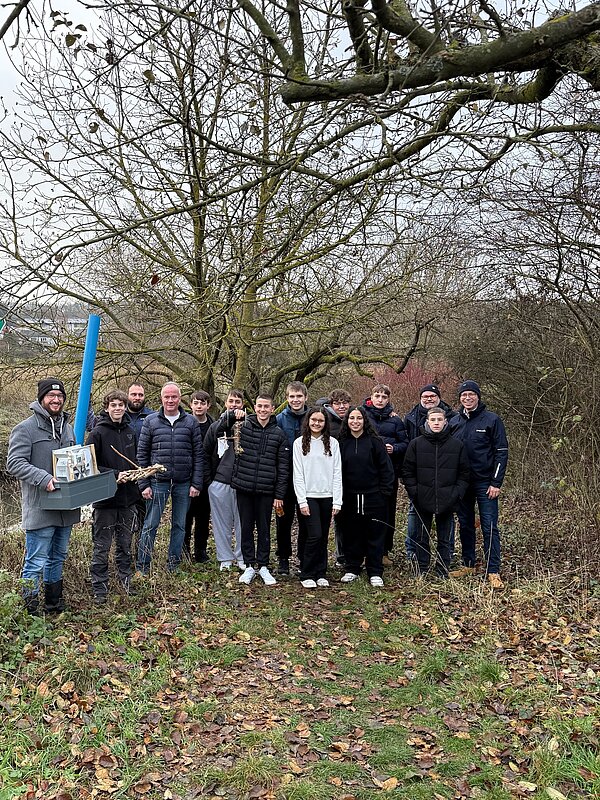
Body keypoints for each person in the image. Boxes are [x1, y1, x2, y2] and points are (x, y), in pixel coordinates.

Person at [6, 377, 80, 614]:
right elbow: (14, 463)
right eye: (51, 396)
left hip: (65, 508)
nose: (56, 400)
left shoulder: (67, 428)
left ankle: (53, 604)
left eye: (60, 396)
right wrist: (44, 478)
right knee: (36, 561)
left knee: (58, 557)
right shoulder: (25, 429)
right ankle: (30, 612)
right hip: (40, 508)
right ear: (41, 398)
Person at [215, 394, 289, 586]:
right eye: (259, 406)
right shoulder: (242, 426)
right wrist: (231, 415)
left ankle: (263, 565)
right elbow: (218, 431)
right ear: (254, 408)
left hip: (266, 489)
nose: (263, 410)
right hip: (244, 486)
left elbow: (283, 467)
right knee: (246, 527)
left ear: (272, 409)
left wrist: (279, 494)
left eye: (266, 406)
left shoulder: (278, 434)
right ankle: (249, 565)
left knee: (264, 529)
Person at [135, 382, 204, 575]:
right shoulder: (151, 421)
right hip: (158, 482)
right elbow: (142, 454)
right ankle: (143, 566)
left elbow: (198, 455)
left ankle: (174, 565)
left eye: (174, 397)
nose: (170, 400)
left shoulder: (190, 422)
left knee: (179, 525)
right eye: (167, 397)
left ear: (180, 398)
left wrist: (196, 483)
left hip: (183, 482)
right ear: (161, 398)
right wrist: (144, 483)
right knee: (150, 524)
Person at [450, 380, 509, 589]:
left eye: (471, 394)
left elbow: (501, 452)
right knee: (465, 523)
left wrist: (496, 482)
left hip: (486, 483)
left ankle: (493, 570)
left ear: (478, 396)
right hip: (462, 484)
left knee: (489, 525)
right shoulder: (454, 421)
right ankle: (468, 564)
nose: (467, 398)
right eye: (464, 395)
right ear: (460, 398)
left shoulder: (492, 420)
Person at [86, 389, 141, 603]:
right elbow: (89, 466)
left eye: (121, 405)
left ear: (125, 407)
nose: (117, 409)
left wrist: (140, 473)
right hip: (105, 500)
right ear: (107, 408)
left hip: (128, 499)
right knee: (102, 546)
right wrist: (115, 475)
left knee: (125, 545)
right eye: (113, 405)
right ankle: (99, 589)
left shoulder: (130, 431)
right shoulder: (97, 433)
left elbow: (135, 459)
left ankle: (125, 581)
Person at [401, 406, 470, 578]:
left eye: (440, 420)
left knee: (445, 538)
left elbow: (464, 473)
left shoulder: (457, 445)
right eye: (433, 420)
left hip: (448, 499)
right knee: (421, 536)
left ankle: (442, 570)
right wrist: (414, 492)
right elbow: (407, 471)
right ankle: (422, 569)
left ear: (445, 422)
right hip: (422, 498)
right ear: (427, 422)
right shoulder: (416, 444)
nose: (436, 423)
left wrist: (457, 493)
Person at [337, 406, 394, 587]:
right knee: (351, 532)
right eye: (352, 418)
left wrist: (384, 493)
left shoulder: (375, 442)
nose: (355, 421)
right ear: (347, 421)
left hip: (373, 497)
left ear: (364, 421)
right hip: (348, 497)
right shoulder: (341, 443)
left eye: (359, 418)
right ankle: (352, 568)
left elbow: (386, 469)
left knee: (374, 533)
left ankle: (375, 571)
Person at [403, 384, 458, 562]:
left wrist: (456, 491)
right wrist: (413, 489)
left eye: (432, 396)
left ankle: (447, 555)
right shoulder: (410, 418)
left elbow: (462, 468)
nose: (429, 399)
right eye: (425, 396)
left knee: (446, 522)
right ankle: (414, 553)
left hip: (446, 484)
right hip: (421, 483)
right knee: (416, 519)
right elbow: (406, 458)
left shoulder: (454, 419)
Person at [293, 408, 342, 589]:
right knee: (314, 535)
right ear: (308, 421)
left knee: (323, 536)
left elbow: (337, 472)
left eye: (320, 421)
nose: (316, 423)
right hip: (308, 496)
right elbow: (298, 474)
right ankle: (306, 572)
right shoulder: (299, 443)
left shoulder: (333, 443)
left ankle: (321, 572)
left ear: (325, 423)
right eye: (313, 420)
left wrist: (337, 500)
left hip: (327, 496)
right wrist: (302, 500)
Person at [363, 384, 408, 564]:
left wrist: (394, 448)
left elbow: (405, 443)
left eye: (384, 397)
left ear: (388, 399)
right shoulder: (362, 415)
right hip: (366, 472)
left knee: (387, 512)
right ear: (371, 397)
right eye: (377, 396)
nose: (380, 400)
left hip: (389, 473)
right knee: (365, 511)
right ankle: (364, 551)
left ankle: (384, 552)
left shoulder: (396, 420)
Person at [203, 389, 246, 572]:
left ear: (243, 404)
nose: (234, 404)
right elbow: (205, 453)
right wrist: (209, 482)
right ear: (226, 403)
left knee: (243, 522)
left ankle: (243, 557)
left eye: (238, 401)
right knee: (221, 523)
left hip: (243, 482)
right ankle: (225, 558)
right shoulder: (216, 426)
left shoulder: (249, 426)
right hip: (220, 482)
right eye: (231, 401)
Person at [275, 381, 309, 575]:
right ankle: (283, 558)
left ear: (305, 397)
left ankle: (304, 557)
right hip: (284, 478)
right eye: (292, 396)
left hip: (307, 478)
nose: (296, 400)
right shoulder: (279, 419)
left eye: (299, 396)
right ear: (287, 398)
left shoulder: (312, 417)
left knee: (306, 520)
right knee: (283, 520)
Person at [319, 388, 351, 566]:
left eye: (345, 403)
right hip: (328, 476)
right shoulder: (326, 422)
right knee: (333, 517)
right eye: (337, 403)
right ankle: (337, 556)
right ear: (331, 405)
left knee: (347, 517)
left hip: (350, 475)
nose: (341, 406)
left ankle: (346, 555)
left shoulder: (353, 419)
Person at [184, 390, 214, 563]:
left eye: (202, 403)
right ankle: (184, 550)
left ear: (208, 405)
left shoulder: (213, 426)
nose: (199, 406)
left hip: (206, 478)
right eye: (196, 403)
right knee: (186, 516)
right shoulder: (185, 424)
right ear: (191, 405)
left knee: (203, 517)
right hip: (187, 477)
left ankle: (200, 550)